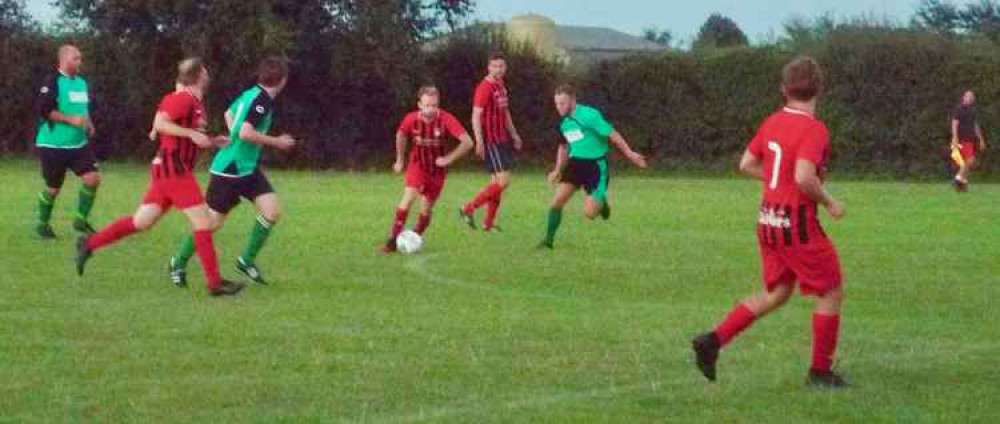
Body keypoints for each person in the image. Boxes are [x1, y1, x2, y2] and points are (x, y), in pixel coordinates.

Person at [691, 56, 848, 388]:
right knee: (830, 290)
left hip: (768, 220)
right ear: (819, 88)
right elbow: (805, 177)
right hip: (797, 225)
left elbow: (746, 163)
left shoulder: (773, 122)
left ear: (783, 89)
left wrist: (779, 182)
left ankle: (712, 341)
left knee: (777, 291)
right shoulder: (814, 129)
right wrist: (830, 201)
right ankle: (820, 372)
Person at [76, 58, 244, 297]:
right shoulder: (184, 99)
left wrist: (213, 141)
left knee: (141, 222)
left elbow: (178, 134)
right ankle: (215, 283)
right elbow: (159, 124)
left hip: (167, 170)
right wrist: (190, 134)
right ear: (197, 76)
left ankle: (89, 244)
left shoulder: (195, 103)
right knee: (203, 222)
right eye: (204, 71)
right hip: (174, 171)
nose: (208, 74)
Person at [169, 57, 295, 286]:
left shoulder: (251, 94)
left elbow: (229, 113)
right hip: (230, 170)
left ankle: (245, 260)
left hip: (246, 169)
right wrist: (276, 141)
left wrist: (234, 136)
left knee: (272, 211)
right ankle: (177, 261)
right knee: (211, 222)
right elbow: (246, 133)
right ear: (282, 80)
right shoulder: (261, 101)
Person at [538, 85, 647, 249]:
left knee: (589, 214)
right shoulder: (564, 123)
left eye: (562, 103)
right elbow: (563, 147)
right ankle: (548, 242)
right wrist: (558, 170)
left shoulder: (590, 115)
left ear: (573, 101)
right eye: (557, 103)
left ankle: (602, 203)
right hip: (575, 165)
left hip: (595, 166)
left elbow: (613, 135)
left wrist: (630, 154)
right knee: (556, 202)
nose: (559, 107)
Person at [382, 86, 474, 253]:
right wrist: (400, 160)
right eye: (427, 105)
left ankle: (414, 237)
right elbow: (400, 135)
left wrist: (448, 159)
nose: (431, 109)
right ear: (419, 104)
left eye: (434, 105)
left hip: (437, 172)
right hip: (418, 165)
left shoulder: (446, 119)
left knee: (426, 208)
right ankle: (393, 240)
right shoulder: (411, 119)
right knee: (409, 197)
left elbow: (468, 142)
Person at [34, 44, 100, 239]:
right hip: (53, 145)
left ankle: (80, 221)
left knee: (93, 179)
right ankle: (42, 224)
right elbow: (44, 110)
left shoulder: (81, 82)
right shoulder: (52, 81)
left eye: (80, 58)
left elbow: (83, 108)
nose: (80, 62)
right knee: (53, 188)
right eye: (76, 58)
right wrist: (70, 119)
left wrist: (89, 123)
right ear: (64, 60)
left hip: (78, 144)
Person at [459, 53, 524, 232]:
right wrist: (479, 141)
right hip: (492, 141)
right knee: (504, 181)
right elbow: (476, 115)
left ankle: (488, 224)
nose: (498, 69)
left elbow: (505, 112)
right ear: (489, 67)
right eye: (494, 66)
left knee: (496, 183)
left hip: (502, 139)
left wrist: (514, 134)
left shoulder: (501, 86)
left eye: (501, 66)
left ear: (505, 67)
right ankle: (468, 208)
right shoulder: (484, 87)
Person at [950, 90, 988, 192]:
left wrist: (981, 140)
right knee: (970, 161)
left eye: (971, 97)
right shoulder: (958, 109)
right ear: (963, 97)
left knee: (968, 163)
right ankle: (958, 178)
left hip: (970, 140)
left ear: (973, 100)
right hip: (961, 140)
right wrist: (955, 137)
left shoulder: (973, 111)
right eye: (968, 96)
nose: (969, 98)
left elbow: (975, 126)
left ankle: (962, 183)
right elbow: (954, 124)